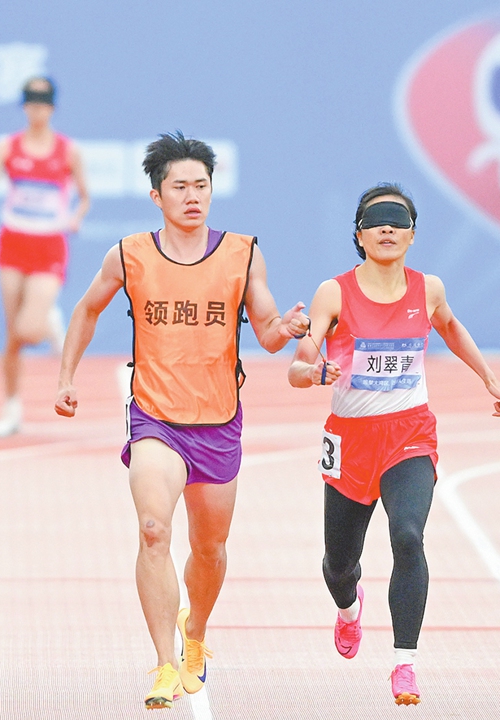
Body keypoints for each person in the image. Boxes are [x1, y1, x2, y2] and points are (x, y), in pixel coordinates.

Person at [54, 132, 309, 709]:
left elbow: (267, 333)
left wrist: (288, 330)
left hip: (218, 420)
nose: (193, 196)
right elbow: (87, 308)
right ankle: (165, 663)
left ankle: (195, 635)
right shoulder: (129, 254)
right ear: (156, 195)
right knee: (152, 530)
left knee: (211, 547)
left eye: (201, 185)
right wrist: (66, 377)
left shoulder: (242, 252)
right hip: (155, 418)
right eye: (180, 187)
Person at [287, 183, 500, 705]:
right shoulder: (335, 292)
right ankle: (349, 607)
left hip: (410, 433)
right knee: (339, 563)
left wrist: (489, 379)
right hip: (351, 440)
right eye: (377, 220)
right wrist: (314, 373)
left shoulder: (427, 289)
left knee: (408, 536)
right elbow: (299, 366)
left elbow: (452, 327)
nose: (388, 228)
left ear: (412, 234)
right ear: (361, 235)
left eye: (398, 220)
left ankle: (404, 663)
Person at [0, 76, 90, 437]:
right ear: (24, 106)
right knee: (12, 336)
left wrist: (75, 218)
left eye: (43, 102)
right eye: (31, 102)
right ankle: (12, 408)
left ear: (52, 107)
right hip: (13, 243)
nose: (37, 109)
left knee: (28, 329)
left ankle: (47, 317)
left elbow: (85, 195)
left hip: (49, 245)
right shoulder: (6, 146)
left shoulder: (67, 150)